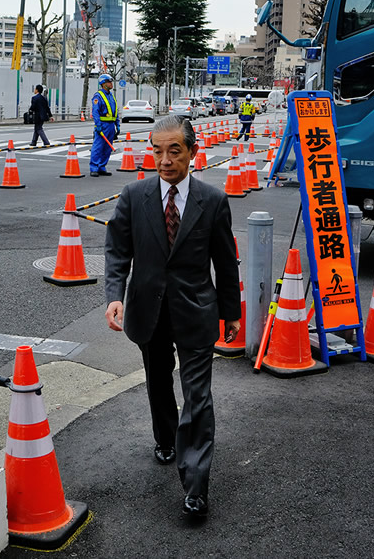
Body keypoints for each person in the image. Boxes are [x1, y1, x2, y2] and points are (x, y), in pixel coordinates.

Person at [104, 114, 240, 520]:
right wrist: (115, 296)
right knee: (159, 382)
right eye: (157, 150)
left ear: (192, 152)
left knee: (198, 395)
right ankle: (164, 438)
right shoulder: (134, 195)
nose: (164, 160)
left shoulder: (213, 201)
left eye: (174, 151)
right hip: (148, 308)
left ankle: (196, 485)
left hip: (196, 310)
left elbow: (225, 261)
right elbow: (117, 252)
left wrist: (231, 311)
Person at [89, 73, 119, 177]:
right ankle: (94, 167)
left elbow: (115, 111)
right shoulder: (98, 96)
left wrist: (117, 125)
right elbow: (95, 112)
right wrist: (98, 125)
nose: (111, 84)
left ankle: (102, 167)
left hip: (110, 126)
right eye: (109, 82)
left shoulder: (111, 96)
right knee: (98, 146)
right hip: (102, 125)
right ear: (103, 84)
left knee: (107, 148)